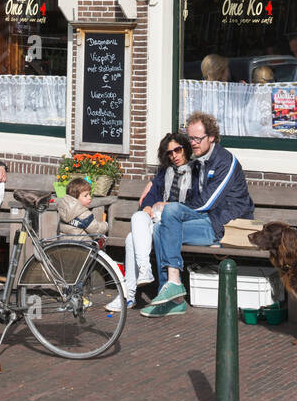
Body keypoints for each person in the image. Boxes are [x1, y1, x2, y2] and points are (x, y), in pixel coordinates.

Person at [141, 111, 254, 318]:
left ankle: (174, 286)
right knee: (159, 229)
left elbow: (208, 202)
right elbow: (171, 171)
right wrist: (153, 182)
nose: (192, 143)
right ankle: (172, 295)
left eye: (197, 139)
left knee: (171, 211)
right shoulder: (198, 158)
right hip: (206, 219)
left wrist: (171, 208)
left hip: (224, 224)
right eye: (190, 138)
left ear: (211, 137)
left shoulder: (224, 161)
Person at [106, 130, 193, 312]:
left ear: (185, 148)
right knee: (138, 217)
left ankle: (129, 295)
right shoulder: (164, 172)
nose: (174, 156)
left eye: (177, 150)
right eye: (169, 153)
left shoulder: (196, 170)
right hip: (157, 217)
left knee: (131, 240)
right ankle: (141, 275)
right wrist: (147, 206)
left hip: (176, 223)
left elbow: (195, 202)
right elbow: (152, 195)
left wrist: (167, 204)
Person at [56, 176, 109, 241]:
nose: (89, 197)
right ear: (75, 198)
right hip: (82, 247)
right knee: (101, 251)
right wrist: (105, 224)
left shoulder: (63, 210)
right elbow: (96, 230)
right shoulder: (84, 215)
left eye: (89, 194)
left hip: (64, 244)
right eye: (85, 195)